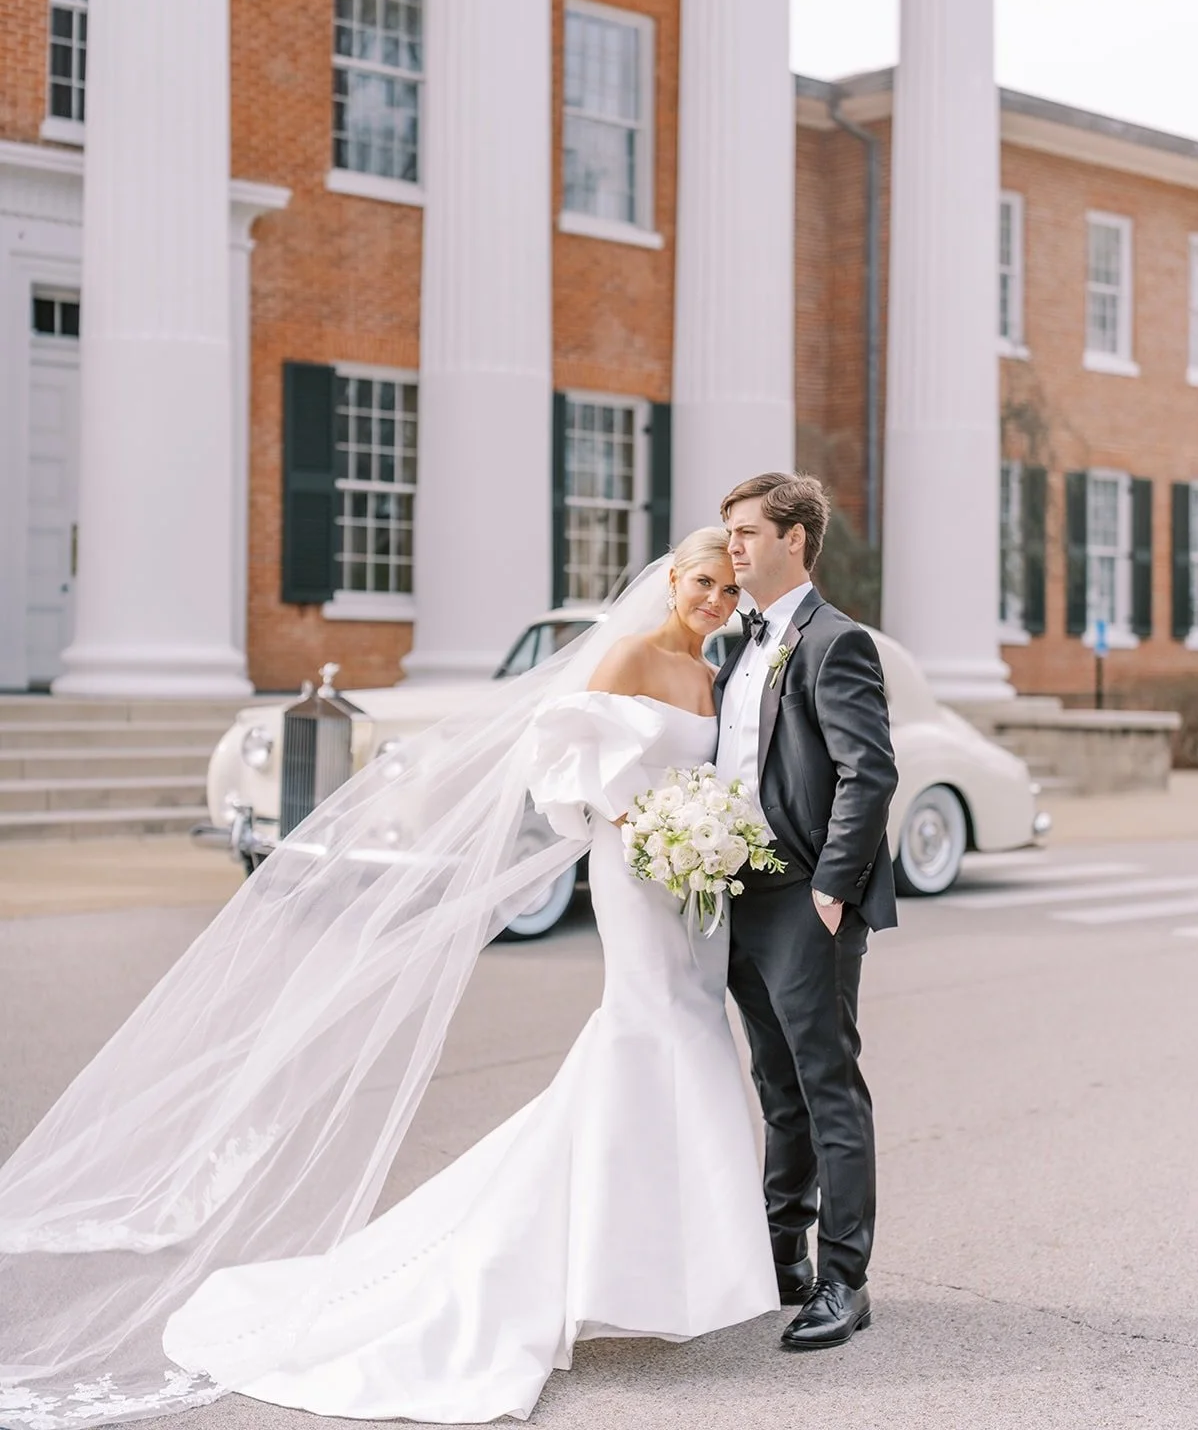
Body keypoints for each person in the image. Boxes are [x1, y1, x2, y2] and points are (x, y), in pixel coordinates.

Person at [0, 530, 779, 1428]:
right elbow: (559, 754)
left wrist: (699, 828)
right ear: (674, 580)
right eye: (704, 585)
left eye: (729, 592)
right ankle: (590, 1264)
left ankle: (667, 1268)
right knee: (649, 1030)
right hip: (635, 868)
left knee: (688, 1030)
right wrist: (636, 815)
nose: (716, 602)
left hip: (691, 878)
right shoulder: (630, 652)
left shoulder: (717, 675)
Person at [716, 472, 898, 1352]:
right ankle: (782, 1255)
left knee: (829, 1089)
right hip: (739, 894)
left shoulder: (836, 642)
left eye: (749, 530)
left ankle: (845, 1280)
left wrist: (832, 889)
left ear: (795, 538)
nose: (734, 546)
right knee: (775, 1087)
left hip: (806, 898)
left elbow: (871, 773)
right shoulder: (734, 649)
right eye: (730, 533)